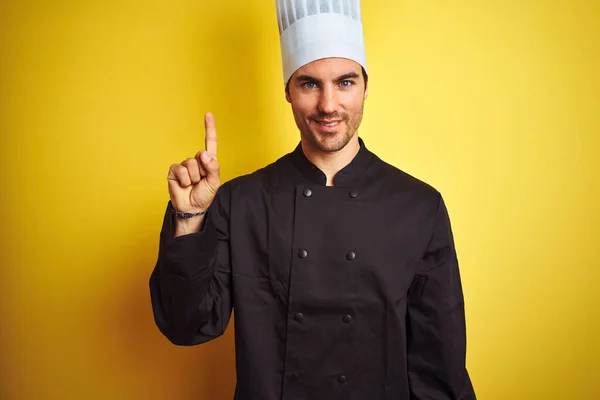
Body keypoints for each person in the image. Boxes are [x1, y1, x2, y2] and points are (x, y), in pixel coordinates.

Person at [149, 1, 476, 399]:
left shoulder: (419, 207)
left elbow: (438, 366)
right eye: (309, 84)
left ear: (366, 86)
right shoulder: (241, 202)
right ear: (287, 90)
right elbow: (187, 326)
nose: (328, 105)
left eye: (345, 82)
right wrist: (189, 217)